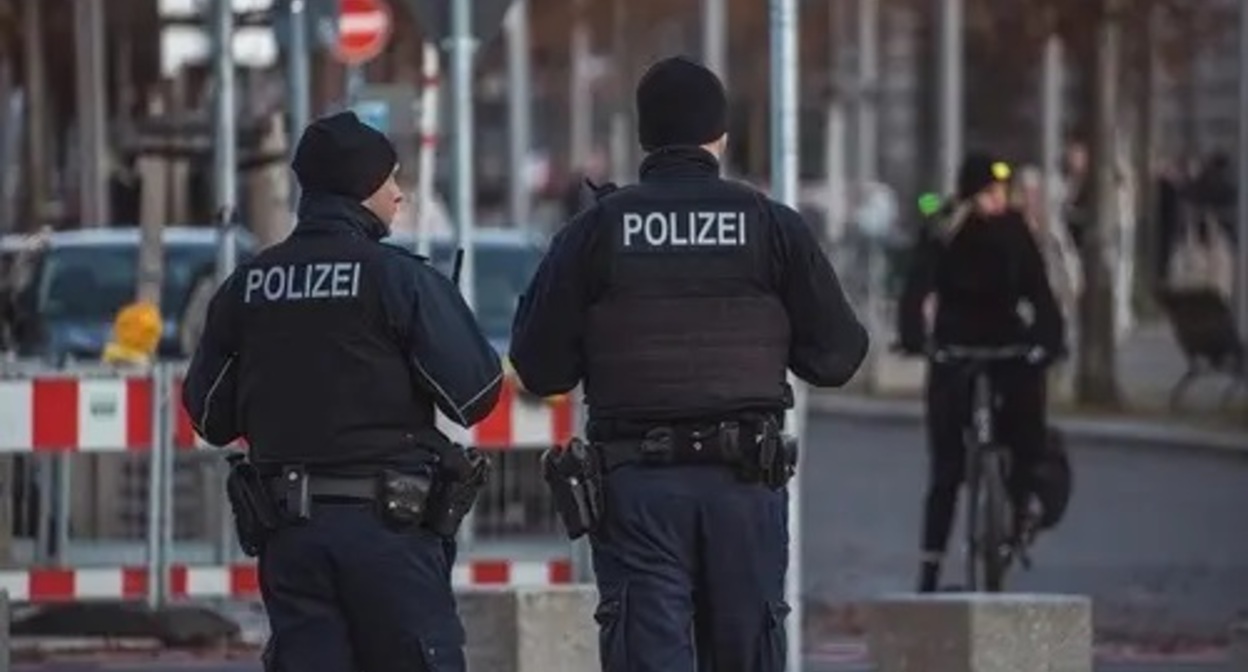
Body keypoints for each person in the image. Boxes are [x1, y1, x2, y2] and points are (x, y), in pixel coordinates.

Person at [510, 56, 868, 671]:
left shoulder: (594, 231)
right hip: (743, 485)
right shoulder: (770, 226)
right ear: (720, 137)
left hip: (637, 489)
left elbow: (541, 368)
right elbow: (837, 356)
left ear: (644, 137)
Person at [181, 111, 503, 672]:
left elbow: (210, 416)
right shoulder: (398, 279)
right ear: (361, 188)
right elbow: (475, 395)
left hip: (292, 537)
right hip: (390, 534)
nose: (399, 195)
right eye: (390, 180)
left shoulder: (249, 285)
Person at [896, 153, 1067, 593]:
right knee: (946, 467)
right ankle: (930, 567)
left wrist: (1049, 341)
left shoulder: (1015, 231)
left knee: (1027, 429)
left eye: (1001, 192)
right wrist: (914, 337)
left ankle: (1023, 503)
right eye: (989, 192)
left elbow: (1040, 292)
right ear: (970, 195)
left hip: (1008, 346)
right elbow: (917, 287)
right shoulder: (944, 232)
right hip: (956, 349)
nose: (997, 201)